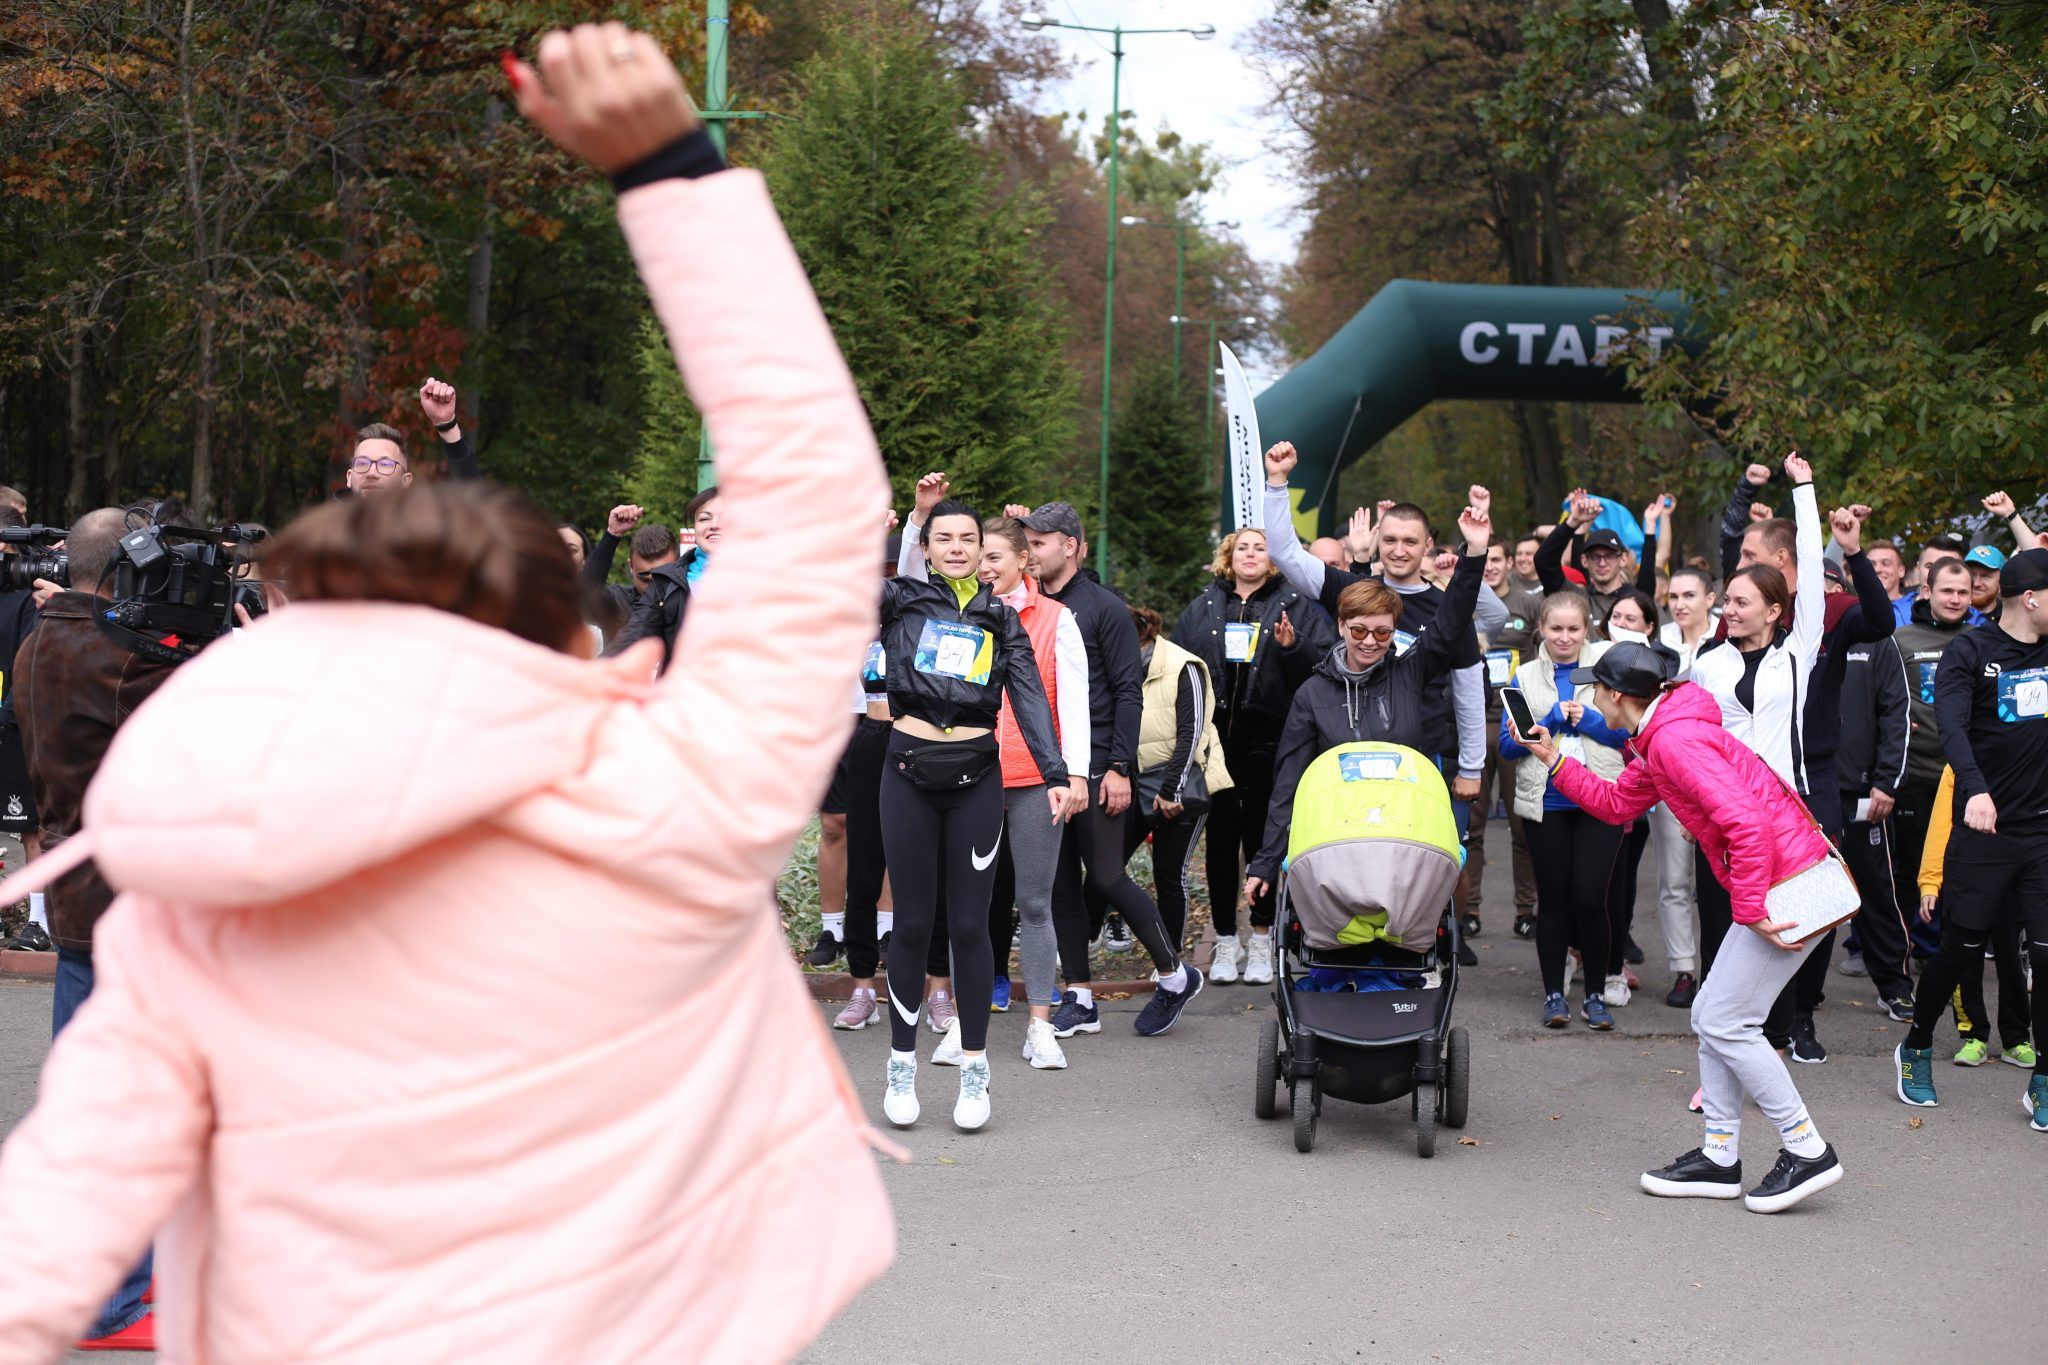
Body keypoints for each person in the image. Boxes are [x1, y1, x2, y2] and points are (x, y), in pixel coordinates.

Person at [0, 35, 901, 1360]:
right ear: (565, 630)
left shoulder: (204, 882)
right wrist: (671, 170)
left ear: (295, 613)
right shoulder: (674, 802)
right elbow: (818, 506)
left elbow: (69, 1192)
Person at [1524, 644, 1844, 1211]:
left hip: (1788, 887)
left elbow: (1745, 824)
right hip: (1787, 880)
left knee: (1726, 1021)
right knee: (1714, 1016)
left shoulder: (1671, 740)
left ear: (1615, 696)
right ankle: (1720, 1158)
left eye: (1595, 687)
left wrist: (1749, 910)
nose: (1591, 696)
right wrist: (1555, 761)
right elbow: (1618, 804)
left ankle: (1806, 1148)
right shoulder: (1662, 734)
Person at [3, 506, 174, 1350]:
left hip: (76, 896)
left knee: (87, 1095)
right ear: (130, 569)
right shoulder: (116, 656)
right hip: (123, 904)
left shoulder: (42, 640)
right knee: (122, 1104)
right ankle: (110, 1300)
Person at [876, 493, 1075, 1128]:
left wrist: (1055, 773)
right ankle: (901, 1065)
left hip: (976, 778)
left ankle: (973, 1069)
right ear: (928, 548)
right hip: (906, 771)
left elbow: (1030, 698)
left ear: (981, 552)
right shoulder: (900, 600)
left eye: (967, 538)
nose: (957, 547)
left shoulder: (1001, 618)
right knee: (911, 925)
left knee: (970, 926)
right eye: (944, 539)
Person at [1243, 499, 1492, 917]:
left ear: (1395, 633)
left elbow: (1451, 620)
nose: (1370, 640)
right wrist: (1267, 860)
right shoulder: (1313, 694)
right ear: (1341, 627)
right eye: (1358, 629)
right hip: (1338, 834)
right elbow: (1287, 782)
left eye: (1382, 632)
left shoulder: (1410, 673)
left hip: (1402, 829)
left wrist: (1475, 555)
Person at [1016, 502, 1204, 1040]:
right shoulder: (1028, 606)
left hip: (1099, 763)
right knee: (1058, 886)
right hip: (1045, 767)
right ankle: (1079, 997)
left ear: (1070, 545)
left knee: (1104, 875)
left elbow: (1127, 691)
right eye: (1026, 542)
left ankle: (1174, 975)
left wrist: (1120, 767)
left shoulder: (1104, 608)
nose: (1031, 552)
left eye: (1041, 542)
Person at [1892, 547, 2048, 1130]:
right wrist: (1977, 791)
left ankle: (2043, 1079)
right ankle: (1916, 1044)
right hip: (1983, 828)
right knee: (1959, 949)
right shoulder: (1971, 651)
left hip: (2041, 831)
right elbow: (1952, 728)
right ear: (2031, 599)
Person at [1688, 454, 1825, 990]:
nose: (1730, 610)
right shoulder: (1706, 663)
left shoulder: (1797, 653)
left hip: (1782, 813)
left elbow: (1811, 568)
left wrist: (1805, 490)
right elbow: (1692, 744)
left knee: (1782, 930)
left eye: (1743, 603)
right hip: (1721, 813)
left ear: (1774, 610)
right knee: (1721, 932)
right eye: (1728, 601)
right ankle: (1718, 1053)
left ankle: (1777, 1040)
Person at [1171, 526, 1329, 984]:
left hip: (1272, 741)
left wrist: (1291, 647)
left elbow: (1320, 666)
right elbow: (1181, 667)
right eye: (1243, 547)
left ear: (1274, 557)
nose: (1251, 554)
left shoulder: (1296, 605)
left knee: (1263, 842)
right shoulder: (1203, 606)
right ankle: (1224, 941)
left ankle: (1261, 940)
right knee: (1220, 844)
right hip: (1215, 743)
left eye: (1261, 547)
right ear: (1228, 556)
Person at [1498, 592, 1632, 1028]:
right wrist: (1552, 719)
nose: (1564, 637)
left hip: (1601, 797)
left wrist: (1590, 721)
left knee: (1592, 898)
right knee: (1553, 900)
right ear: (1540, 629)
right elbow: (1505, 745)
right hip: (1547, 802)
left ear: (1588, 627)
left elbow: (1633, 734)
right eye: (1556, 628)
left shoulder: (1610, 668)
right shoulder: (1525, 676)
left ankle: (1596, 995)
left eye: (1574, 628)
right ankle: (1554, 994)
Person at [1888, 558, 1980, 960]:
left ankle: (1951, 948)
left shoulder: (1983, 639)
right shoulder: (1902, 639)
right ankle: (1913, 949)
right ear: (1926, 592)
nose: (1955, 599)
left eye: (1963, 592)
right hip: (1916, 773)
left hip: (1967, 777)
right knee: (1909, 870)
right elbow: (1884, 700)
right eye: (1947, 590)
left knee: (1959, 868)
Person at [1914, 765, 2032, 1067]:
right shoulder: (1959, 762)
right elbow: (1941, 823)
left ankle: (2016, 1038)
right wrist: (1930, 881)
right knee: (1965, 957)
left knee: (2011, 958)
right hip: (1967, 873)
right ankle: (1974, 1036)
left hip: (2015, 874)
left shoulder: (2029, 752)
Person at [1831, 609, 1917, 1021]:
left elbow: (1896, 712)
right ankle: (1795, 1005)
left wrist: (1886, 780)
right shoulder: (1792, 635)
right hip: (1805, 791)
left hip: (1863, 792)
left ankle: (1895, 987)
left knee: (1878, 893)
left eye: (1832, 585)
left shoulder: (1877, 641)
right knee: (1801, 896)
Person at [1131, 606, 1232, 957]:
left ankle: (1169, 959)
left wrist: (1171, 788)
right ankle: (1095, 932)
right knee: (1106, 868)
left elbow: (1193, 733)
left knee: (1169, 875)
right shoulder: (1121, 666)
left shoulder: (1182, 666)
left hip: (1180, 783)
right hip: (1136, 780)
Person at [1475, 535, 1542, 941]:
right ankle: (1469, 912)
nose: (1491, 567)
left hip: (1515, 720)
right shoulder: (1465, 600)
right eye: (1484, 560)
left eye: (1497, 560)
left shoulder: (1527, 602)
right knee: (1474, 826)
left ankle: (1525, 910)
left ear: (1508, 562)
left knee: (1522, 825)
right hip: (1475, 722)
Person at [345, 378, 480, 495]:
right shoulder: (326, 523)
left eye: (385, 464)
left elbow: (473, 505)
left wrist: (447, 425)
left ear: (405, 481)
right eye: (362, 463)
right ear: (349, 477)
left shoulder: (424, 524)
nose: (371, 473)